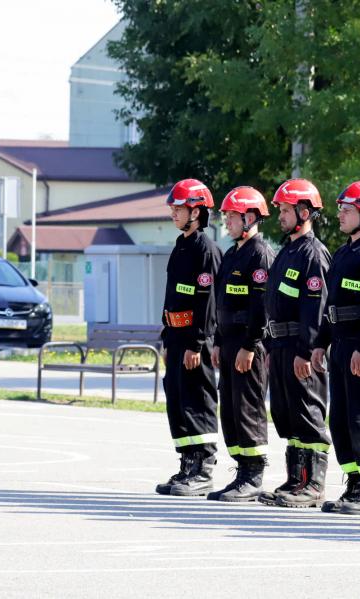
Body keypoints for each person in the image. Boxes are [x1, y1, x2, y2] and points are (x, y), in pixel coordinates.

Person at [311, 181, 360, 515]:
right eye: (341, 209)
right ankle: (355, 481)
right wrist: (321, 342)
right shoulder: (343, 253)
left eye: (347, 210)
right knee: (341, 420)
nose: (340, 215)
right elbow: (332, 304)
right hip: (340, 346)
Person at [258, 178, 332, 508]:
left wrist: (306, 350)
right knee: (288, 415)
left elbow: (315, 308)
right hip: (281, 346)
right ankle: (295, 480)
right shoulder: (287, 252)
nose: (281, 216)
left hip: (300, 349)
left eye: (286, 210)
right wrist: (271, 347)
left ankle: (312, 485)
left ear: (304, 212)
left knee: (307, 413)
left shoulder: (313, 254)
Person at [155, 179, 223, 497]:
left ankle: (203, 469)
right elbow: (172, 296)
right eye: (172, 208)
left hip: (196, 341)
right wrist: (167, 338)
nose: (173, 213)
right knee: (178, 402)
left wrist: (196, 343)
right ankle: (187, 465)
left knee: (198, 401)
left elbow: (207, 301)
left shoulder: (205, 250)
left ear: (196, 212)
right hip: (176, 337)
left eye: (178, 208)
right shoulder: (180, 246)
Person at [208, 186, 275, 502]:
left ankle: (253, 475)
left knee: (248, 408)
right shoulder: (232, 253)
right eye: (226, 216)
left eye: (232, 216)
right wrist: (218, 341)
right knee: (231, 411)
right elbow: (222, 301)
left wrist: (250, 345)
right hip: (229, 343)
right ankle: (241, 471)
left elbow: (261, 307)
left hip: (249, 345)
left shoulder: (259, 254)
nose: (227, 222)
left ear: (250, 217)